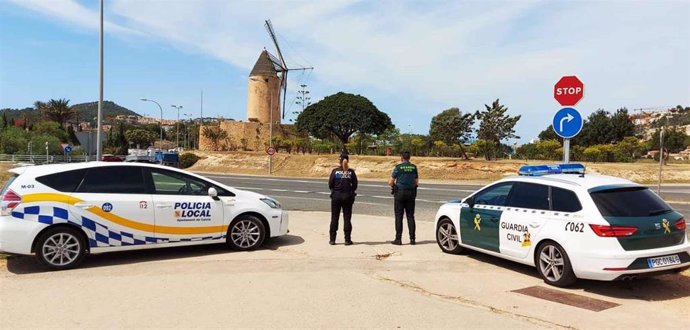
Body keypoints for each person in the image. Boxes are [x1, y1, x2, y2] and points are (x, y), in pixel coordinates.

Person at [328, 152, 358, 245]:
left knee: (334, 218)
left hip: (336, 196)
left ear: (340, 161)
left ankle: (332, 240)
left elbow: (330, 184)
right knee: (347, 219)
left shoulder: (335, 171)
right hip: (347, 197)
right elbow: (355, 185)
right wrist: (350, 191)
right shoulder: (351, 172)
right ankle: (347, 240)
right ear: (348, 161)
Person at [389, 151, 418, 245]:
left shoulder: (398, 167)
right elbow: (417, 182)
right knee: (410, 216)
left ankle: (398, 239)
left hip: (400, 193)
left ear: (401, 158)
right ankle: (412, 239)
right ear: (409, 158)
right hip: (411, 193)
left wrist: (394, 186)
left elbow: (390, 182)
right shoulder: (414, 167)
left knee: (399, 216)